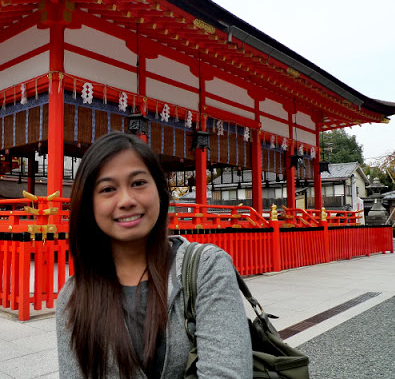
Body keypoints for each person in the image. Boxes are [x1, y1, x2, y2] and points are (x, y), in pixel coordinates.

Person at [56, 132, 252, 379]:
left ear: (160, 190)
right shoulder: (73, 297)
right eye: (108, 189)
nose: (126, 200)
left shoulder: (206, 268)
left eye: (138, 183)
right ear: (88, 205)